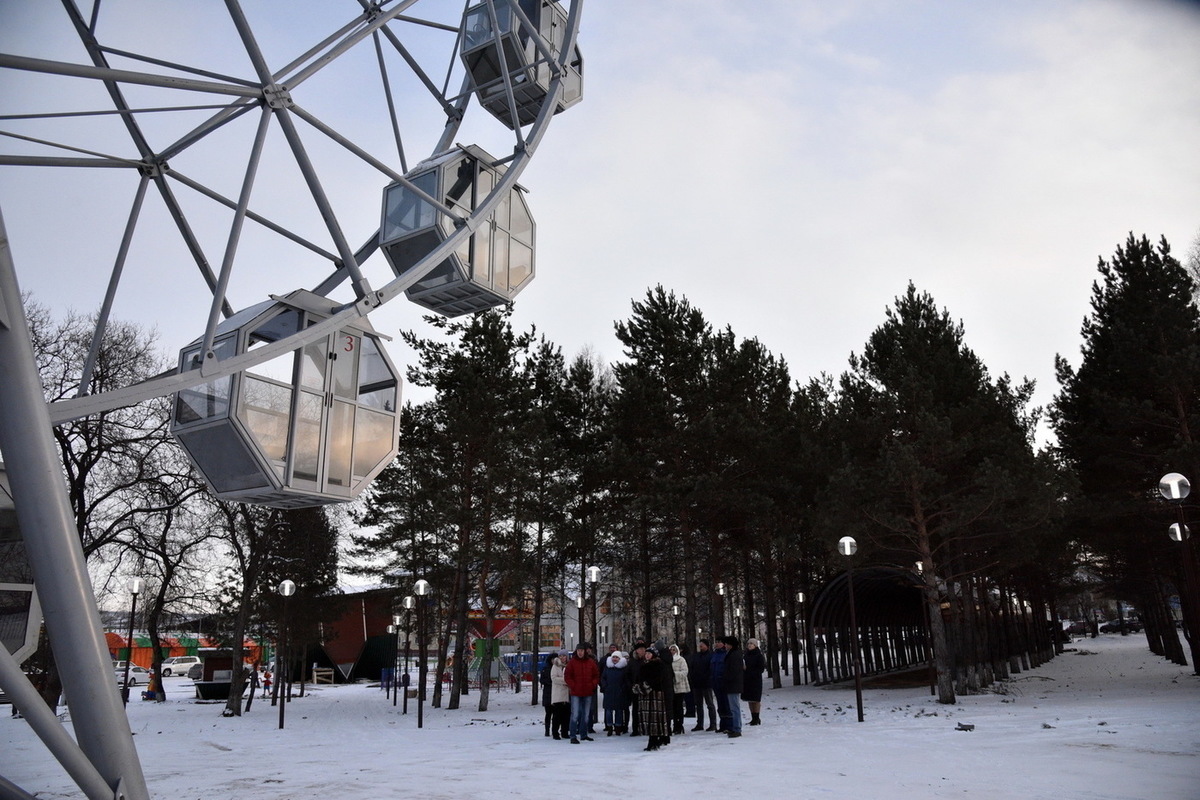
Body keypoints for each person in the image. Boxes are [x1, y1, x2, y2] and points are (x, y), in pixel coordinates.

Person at [632, 644, 671, 751]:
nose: (647, 655)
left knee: (654, 719)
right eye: (647, 653)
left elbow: (657, 680)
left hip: (654, 694)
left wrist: (645, 687)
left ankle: (654, 740)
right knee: (648, 719)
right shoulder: (644, 665)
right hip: (646, 695)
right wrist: (638, 687)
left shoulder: (658, 665)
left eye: (649, 653)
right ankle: (653, 740)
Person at [563, 644, 599, 743]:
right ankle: (573, 736)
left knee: (586, 715)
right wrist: (573, 685)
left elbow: (596, 675)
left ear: (585, 652)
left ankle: (584, 734)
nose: (580, 652)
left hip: (588, 692)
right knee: (575, 714)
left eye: (582, 651)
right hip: (576, 692)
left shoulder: (591, 662)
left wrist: (592, 684)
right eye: (578, 650)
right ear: (576, 651)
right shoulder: (572, 663)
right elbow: (567, 676)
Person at [599, 649, 631, 735]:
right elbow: (603, 678)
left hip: (619, 692)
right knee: (608, 711)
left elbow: (626, 680)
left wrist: (623, 688)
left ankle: (618, 727)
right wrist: (605, 686)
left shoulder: (623, 669)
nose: (615, 659)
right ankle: (609, 727)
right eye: (614, 657)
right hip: (609, 691)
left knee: (619, 711)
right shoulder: (607, 667)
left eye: (617, 657)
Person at [689, 639, 717, 731]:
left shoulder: (710, 656)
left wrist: (708, 678)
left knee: (709, 703)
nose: (700, 646)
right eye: (700, 644)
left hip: (707, 683)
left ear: (707, 646)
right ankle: (699, 723)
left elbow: (711, 669)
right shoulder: (696, 656)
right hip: (697, 683)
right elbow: (692, 667)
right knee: (699, 705)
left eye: (702, 644)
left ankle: (713, 723)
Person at [720, 635, 745, 738]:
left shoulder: (734, 655)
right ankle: (735, 727)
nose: (725, 645)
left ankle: (737, 728)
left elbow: (733, 671)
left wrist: (726, 678)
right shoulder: (732, 654)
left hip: (733, 684)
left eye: (726, 644)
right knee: (733, 707)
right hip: (732, 684)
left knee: (734, 707)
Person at [742, 638, 767, 726]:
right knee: (750, 699)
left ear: (755, 645)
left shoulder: (759, 655)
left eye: (751, 644)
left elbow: (761, 668)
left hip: (755, 680)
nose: (749, 645)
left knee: (755, 699)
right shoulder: (746, 655)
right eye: (748, 643)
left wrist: (751, 671)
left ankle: (756, 717)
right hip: (747, 680)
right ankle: (753, 717)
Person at [668, 643, 690, 734]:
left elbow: (685, 672)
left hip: (680, 686)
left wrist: (675, 675)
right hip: (671, 686)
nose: (672, 652)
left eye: (674, 650)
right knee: (672, 707)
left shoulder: (681, 660)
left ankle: (679, 725)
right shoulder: (668, 660)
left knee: (679, 707)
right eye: (671, 650)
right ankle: (674, 725)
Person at [626, 641, 647, 736]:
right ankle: (635, 729)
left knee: (645, 709)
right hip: (634, 688)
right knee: (635, 710)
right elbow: (627, 675)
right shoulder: (632, 662)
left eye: (643, 649)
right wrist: (631, 686)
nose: (642, 651)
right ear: (636, 651)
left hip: (645, 688)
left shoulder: (647, 660)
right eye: (640, 649)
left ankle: (645, 727)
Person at [550, 650, 571, 740]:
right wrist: (565, 680)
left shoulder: (569, 666)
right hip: (558, 694)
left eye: (564, 656)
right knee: (557, 716)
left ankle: (565, 732)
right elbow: (554, 678)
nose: (562, 658)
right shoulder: (555, 666)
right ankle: (555, 733)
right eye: (560, 656)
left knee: (566, 716)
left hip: (567, 695)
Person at [709, 638, 729, 732]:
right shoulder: (714, 654)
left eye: (719, 642)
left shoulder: (726, 654)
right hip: (715, 682)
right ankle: (722, 725)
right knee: (720, 705)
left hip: (724, 682)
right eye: (716, 642)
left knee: (726, 704)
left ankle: (729, 725)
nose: (717, 644)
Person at [539, 653, 555, 737]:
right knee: (548, 713)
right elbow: (542, 680)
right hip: (548, 693)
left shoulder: (558, 668)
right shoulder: (546, 669)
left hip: (555, 694)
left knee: (555, 714)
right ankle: (547, 730)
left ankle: (554, 730)